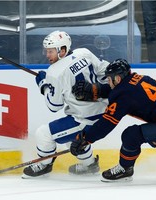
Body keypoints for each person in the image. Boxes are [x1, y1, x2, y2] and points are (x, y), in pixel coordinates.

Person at [70, 59, 156, 182]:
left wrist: (86, 139)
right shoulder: (137, 79)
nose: (108, 83)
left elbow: (108, 122)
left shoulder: (123, 95)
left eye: (109, 79)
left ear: (118, 78)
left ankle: (125, 169)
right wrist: (96, 91)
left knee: (131, 135)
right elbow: (123, 90)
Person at [22, 30, 110, 178]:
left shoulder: (54, 72)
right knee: (71, 136)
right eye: (47, 51)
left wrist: (44, 85)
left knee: (44, 134)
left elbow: (54, 106)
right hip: (105, 111)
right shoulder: (84, 52)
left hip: (86, 119)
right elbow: (104, 71)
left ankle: (44, 165)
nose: (47, 55)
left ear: (62, 50)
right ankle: (89, 165)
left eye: (51, 51)